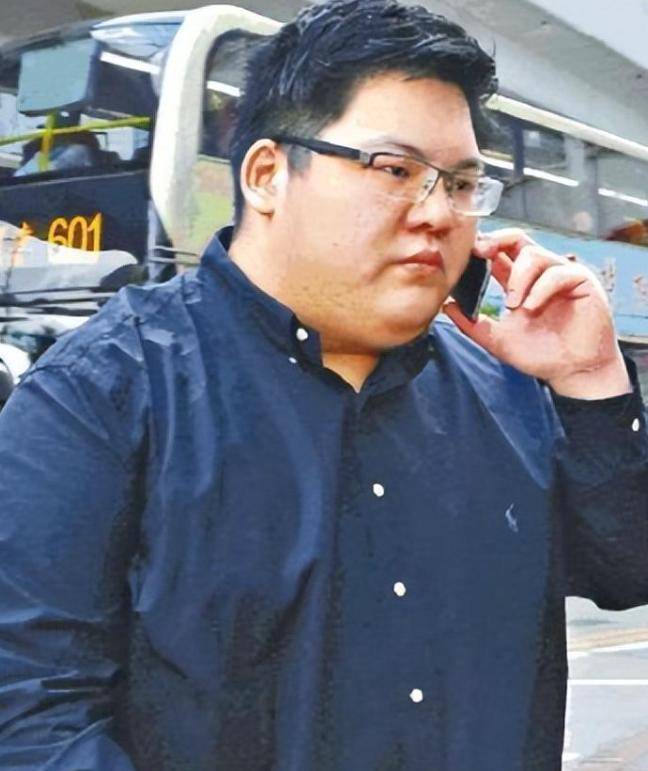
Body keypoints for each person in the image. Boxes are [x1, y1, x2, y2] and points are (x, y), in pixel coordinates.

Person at [0, 1, 646, 769]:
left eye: (463, 183)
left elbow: (627, 568)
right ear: (267, 175)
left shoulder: (507, 389)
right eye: (396, 170)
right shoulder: (103, 394)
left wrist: (592, 380)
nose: (440, 213)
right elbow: (34, 719)